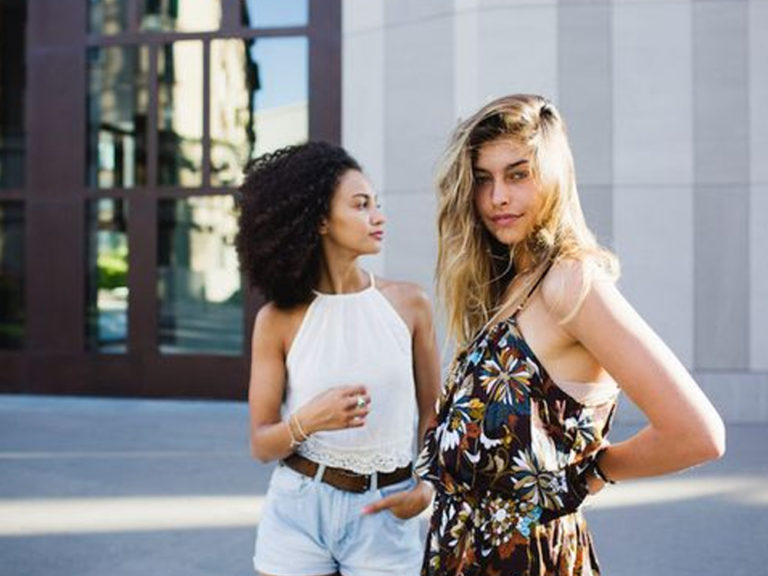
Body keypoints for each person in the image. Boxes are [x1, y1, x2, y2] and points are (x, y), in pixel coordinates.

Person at [415, 94, 725, 575]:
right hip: (463, 554)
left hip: (528, 559)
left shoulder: (570, 282)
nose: (498, 197)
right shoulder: (511, 284)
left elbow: (697, 433)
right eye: (483, 179)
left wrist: (591, 475)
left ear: (554, 177)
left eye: (518, 174)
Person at [236, 141, 441, 576]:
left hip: (386, 512)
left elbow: (433, 415)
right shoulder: (277, 320)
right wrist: (309, 420)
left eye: (376, 204)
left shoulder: (411, 305)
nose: (379, 216)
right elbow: (261, 444)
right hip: (298, 510)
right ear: (321, 220)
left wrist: (427, 487)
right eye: (361, 205)